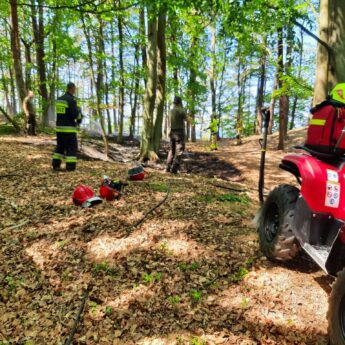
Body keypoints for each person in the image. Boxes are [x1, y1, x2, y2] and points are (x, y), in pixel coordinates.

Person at [52, 82, 82, 171]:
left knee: (60, 147)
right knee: (71, 148)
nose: (75, 90)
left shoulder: (59, 99)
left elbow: (62, 114)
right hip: (69, 129)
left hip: (59, 128)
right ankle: (70, 167)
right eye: (75, 89)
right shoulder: (71, 100)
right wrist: (79, 114)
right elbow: (74, 115)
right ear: (72, 88)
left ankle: (55, 165)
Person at [166, 96, 187, 174]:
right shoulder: (181, 111)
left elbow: (169, 122)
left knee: (172, 150)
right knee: (179, 150)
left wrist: (168, 131)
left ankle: (168, 167)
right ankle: (174, 169)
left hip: (172, 132)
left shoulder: (170, 111)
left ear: (174, 103)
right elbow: (187, 120)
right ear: (180, 102)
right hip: (179, 133)